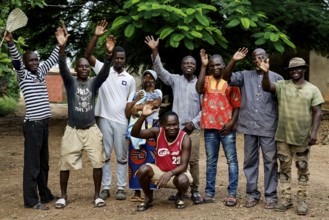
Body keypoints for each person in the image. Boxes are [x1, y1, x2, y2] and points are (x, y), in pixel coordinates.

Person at [53, 23, 112, 208]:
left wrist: (108, 55)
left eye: (87, 66)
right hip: (72, 129)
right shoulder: (70, 83)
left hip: (91, 130)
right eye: (81, 67)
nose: (85, 69)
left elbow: (104, 73)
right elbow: (62, 66)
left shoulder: (94, 83)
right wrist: (62, 47)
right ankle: (63, 196)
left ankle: (97, 196)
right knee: (64, 163)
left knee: (98, 162)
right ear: (77, 69)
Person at [4, 28, 59, 210]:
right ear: (26, 63)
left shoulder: (41, 72)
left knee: (43, 164)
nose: (35, 62)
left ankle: (45, 195)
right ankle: (31, 201)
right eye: (31, 60)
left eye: (36, 59)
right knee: (32, 165)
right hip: (33, 126)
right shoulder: (23, 75)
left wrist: (59, 43)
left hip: (43, 125)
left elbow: (52, 58)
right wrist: (11, 43)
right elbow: (17, 61)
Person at [261, 57, 324, 215]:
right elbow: (267, 87)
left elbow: (317, 112)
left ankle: (302, 200)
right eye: (291, 69)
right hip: (282, 137)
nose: (294, 71)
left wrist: (314, 132)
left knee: (302, 169)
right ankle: (286, 199)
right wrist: (265, 73)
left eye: (298, 68)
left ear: (304, 70)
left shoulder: (313, 89)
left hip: (302, 137)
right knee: (284, 168)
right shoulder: (282, 86)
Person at [144, 36, 203, 204]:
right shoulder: (176, 80)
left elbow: (204, 108)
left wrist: (194, 122)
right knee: (175, 161)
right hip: (175, 131)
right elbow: (161, 72)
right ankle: (180, 191)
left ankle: (195, 191)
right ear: (182, 66)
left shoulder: (200, 84)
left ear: (196, 66)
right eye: (186, 63)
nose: (189, 65)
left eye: (192, 63)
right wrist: (155, 51)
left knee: (192, 161)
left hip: (193, 129)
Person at [222, 48, 283, 209]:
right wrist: (233, 60)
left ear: (267, 57)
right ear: (252, 60)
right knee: (250, 161)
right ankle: (252, 194)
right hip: (249, 126)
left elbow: (274, 92)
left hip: (268, 126)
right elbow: (225, 77)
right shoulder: (244, 75)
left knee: (270, 161)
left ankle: (270, 195)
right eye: (255, 57)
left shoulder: (277, 78)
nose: (258, 59)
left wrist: (266, 73)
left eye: (261, 56)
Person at [84, 20, 136, 200]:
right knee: (105, 155)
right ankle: (106, 187)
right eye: (116, 57)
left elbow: (130, 104)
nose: (119, 60)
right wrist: (96, 36)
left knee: (122, 156)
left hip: (122, 121)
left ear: (125, 59)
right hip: (104, 119)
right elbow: (87, 54)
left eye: (122, 58)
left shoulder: (130, 79)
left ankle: (121, 187)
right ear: (112, 57)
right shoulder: (102, 70)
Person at [195, 49, 241, 206]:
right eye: (212, 66)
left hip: (227, 128)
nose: (215, 68)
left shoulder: (231, 81)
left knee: (232, 160)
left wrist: (231, 123)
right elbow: (199, 89)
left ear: (223, 65)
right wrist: (203, 66)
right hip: (209, 128)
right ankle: (209, 193)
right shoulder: (206, 80)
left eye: (218, 65)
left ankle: (232, 193)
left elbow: (237, 106)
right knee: (211, 161)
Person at [131, 106, 193, 211]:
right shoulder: (157, 132)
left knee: (183, 180)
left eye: (175, 124)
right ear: (162, 125)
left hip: (177, 173)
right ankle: (148, 198)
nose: (172, 128)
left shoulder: (185, 138)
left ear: (178, 124)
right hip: (160, 172)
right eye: (168, 125)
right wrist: (143, 116)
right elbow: (135, 133)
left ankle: (179, 195)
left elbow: (184, 166)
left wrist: (170, 173)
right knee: (143, 170)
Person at [126, 70, 162, 202]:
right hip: (137, 126)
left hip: (152, 126)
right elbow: (129, 112)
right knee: (135, 158)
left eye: (151, 77)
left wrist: (137, 107)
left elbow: (155, 104)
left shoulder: (158, 93)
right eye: (145, 76)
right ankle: (136, 192)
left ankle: (150, 191)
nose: (147, 79)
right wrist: (136, 102)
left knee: (151, 158)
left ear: (155, 81)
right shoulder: (136, 94)